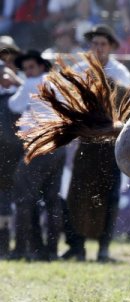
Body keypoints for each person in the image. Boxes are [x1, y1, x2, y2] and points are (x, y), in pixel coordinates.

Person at [61, 24, 130, 262]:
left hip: (111, 142)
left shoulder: (120, 73)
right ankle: (77, 246)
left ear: (111, 47)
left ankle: (104, 248)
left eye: (103, 44)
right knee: (76, 193)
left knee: (110, 195)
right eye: (95, 44)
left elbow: (124, 108)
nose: (98, 48)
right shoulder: (79, 69)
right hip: (86, 140)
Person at [7, 50, 64, 260]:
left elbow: (15, 104)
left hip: (38, 145)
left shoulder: (31, 84)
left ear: (41, 66)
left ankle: (21, 249)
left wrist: (15, 82)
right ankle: (50, 251)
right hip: (58, 145)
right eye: (26, 69)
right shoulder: (56, 82)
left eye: (31, 67)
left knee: (23, 198)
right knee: (52, 200)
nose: (29, 72)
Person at [0, 36, 22, 258]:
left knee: (13, 194)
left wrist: (14, 81)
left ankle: (14, 244)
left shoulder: (22, 79)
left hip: (16, 147)